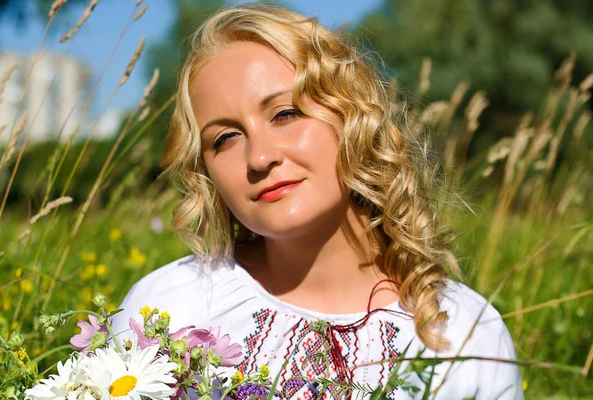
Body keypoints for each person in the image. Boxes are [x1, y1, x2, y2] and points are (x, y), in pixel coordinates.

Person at [112, 4, 523, 399]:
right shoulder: (166, 309)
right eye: (225, 138)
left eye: (286, 114)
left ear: (352, 117)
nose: (259, 157)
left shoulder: (468, 334)